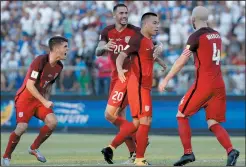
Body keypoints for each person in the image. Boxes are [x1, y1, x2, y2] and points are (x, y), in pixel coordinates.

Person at [158, 6, 240, 166]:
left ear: (193, 20)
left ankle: (188, 153)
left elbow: (182, 59)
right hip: (219, 84)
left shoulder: (196, 36)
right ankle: (231, 151)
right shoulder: (216, 35)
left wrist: (166, 78)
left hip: (204, 83)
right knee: (213, 122)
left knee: (181, 115)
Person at [96, 4, 165, 164]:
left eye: (126, 12)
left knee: (125, 117)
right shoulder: (107, 31)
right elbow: (98, 50)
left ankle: (134, 152)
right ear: (114, 15)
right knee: (118, 117)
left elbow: (151, 44)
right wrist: (104, 47)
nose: (124, 15)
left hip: (130, 78)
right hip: (117, 77)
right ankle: (135, 143)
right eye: (121, 13)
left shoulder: (135, 31)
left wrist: (159, 48)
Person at [1, 36, 68, 166]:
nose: (68, 49)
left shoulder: (59, 66)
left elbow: (48, 85)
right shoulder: (40, 61)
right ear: (56, 48)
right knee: (21, 128)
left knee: (52, 122)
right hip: (25, 98)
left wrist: (46, 101)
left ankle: (33, 148)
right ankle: (6, 156)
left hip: (39, 100)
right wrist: (45, 101)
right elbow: (30, 86)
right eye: (65, 46)